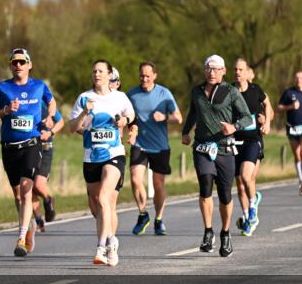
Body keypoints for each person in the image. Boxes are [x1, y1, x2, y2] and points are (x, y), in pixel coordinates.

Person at [181, 55, 253, 258]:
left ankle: (225, 233)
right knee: (205, 183)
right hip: (202, 147)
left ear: (223, 71)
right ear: (204, 70)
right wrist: (186, 131)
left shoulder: (230, 92)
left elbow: (246, 117)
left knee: (225, 195)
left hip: (225, 148)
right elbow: (193, 112)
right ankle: (208, 231)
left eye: (216, 69)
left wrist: (234, 126)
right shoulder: (197, 91)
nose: (212, 72)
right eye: (208, 68)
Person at [0, 48, 56, 258]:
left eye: (22, 62)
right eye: (14, 62)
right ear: (10, 66)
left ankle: (20, 237)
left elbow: (51, 102)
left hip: (31, 144)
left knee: (27, 190)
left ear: (29, 65)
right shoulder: (2, 88)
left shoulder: (39, 86)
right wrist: (5, 111)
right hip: (9, 147)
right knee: (18, 195)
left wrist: (51, 117)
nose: (18, 66)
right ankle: (29, 229)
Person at [69, 60, 134, 266]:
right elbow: (72, 128)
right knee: (99, 205)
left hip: (114, 154)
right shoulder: (84, 98)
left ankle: (101, 247)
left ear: (108, 75)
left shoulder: (119, 97)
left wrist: (124, 121)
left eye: (101, 71)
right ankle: (112, 240)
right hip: (91, 156)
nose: (97, 74)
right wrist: (84, 113)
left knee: (106, 199)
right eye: (94, 71)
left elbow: (130, 115)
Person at [126, 62, 182, 236]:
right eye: (142, 75)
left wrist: (165, 117)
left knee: (158, 184)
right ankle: (143, 214)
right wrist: (129, 128)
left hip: (160, 147)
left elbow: (178, 118)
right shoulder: (131, 94)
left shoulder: (164, 94)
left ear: (155, 76)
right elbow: (125, 115)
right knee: (135, 179)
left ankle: (158, 219)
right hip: (139, 144)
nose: (144, 79)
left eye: (148, 76)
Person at [233, 59, 273, 235]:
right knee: (240, 184)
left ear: (247, 71)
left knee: (246, 176)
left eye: (241, 69)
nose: (238, 72)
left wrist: (267, 122)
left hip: (253, 140)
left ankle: (253, 209)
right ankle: (248, 216)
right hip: (234, 142)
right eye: (235, 69)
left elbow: (268, 105)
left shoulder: (255, 90)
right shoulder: (229, 91)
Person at [277, 70, 302, 196]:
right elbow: (279, 107)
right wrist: (290, 107)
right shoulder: (289, 92)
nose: (299, 80)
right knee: (297, 155)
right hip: (292, 127)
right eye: (297, 78)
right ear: (294, 80)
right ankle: (300, 179)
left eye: (301, 77)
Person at [32, 108, 64, 232]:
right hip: (27, 149)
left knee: (38, 185)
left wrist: (50, 132)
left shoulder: (47, 103)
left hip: (45, 149)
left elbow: (61, 122)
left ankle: (48, 199)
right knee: (28, 188)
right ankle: (39, 219)